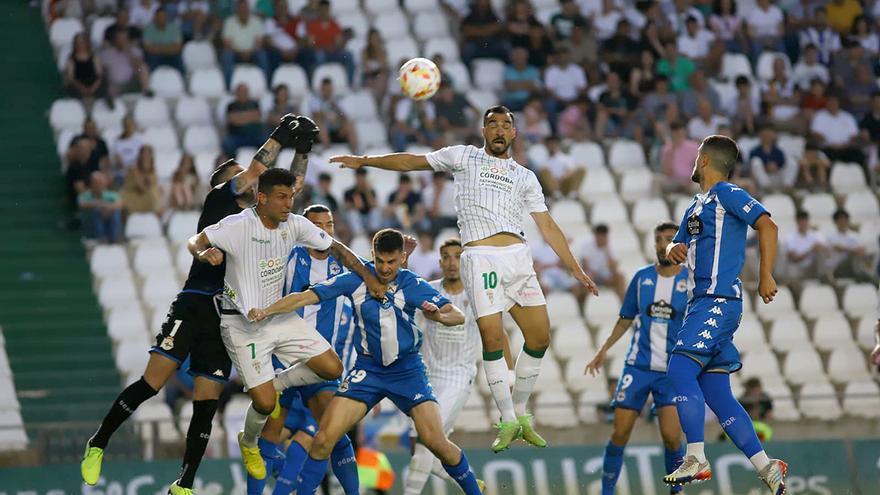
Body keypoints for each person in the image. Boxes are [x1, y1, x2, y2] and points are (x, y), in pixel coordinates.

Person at [328, 105, 598, 452]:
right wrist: (364, 160)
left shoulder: (525, 176)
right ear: (484, 131)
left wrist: (575, 268)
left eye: (506, 125)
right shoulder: (463, 157)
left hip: (518, 257)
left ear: (514, 133)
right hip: (481, 257)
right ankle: (506, 419)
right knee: (492, 338)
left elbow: (547, 225)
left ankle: (521, 413)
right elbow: (413, 161)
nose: (499, 130)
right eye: (493, 124)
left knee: (539, 337)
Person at [81, 115, 318, 494]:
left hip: (229, 316)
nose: (253, 179)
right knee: (152, 383)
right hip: (194, 302)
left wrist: (303, 148)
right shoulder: (220, 199)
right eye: (241, 174)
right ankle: (97, 444)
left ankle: (185, 484)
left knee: (206, 401)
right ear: (228, 181)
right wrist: (280, 136)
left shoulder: (261, 217)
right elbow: (260, 168)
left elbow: (291, 186)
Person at [247, 229, 484, 495]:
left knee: (434, 441)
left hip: (407, 371)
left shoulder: (411, 284)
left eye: (391, 262)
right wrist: (266, 311)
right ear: (373, 255)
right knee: (323, 440)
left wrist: (439, 316)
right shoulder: (355, 280)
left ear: (402, 257)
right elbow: (305, 297)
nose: (384, 268)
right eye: (380, 261)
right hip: (368, 371)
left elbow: (457, 314)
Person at [186, 166, 385, 482]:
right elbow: (196, 239)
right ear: (262, 198)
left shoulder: (294, 225)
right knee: (264, 404)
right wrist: (203, 252)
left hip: (279, 317)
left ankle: (275, 381)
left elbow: (335, 247)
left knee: (332, 369)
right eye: (281, 197)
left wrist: (369, 276)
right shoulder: (238, 225)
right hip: (242, 325)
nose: (288, 203)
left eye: (291, 196)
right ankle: (249, 442)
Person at [662, 134, 787, 492]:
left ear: (703, 160)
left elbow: (768, 224)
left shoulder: (728, 194)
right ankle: (768, 468)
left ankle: (696, 456)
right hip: (700, 305)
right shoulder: (697, 206)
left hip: (718, 300)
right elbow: (678, 239)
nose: (693, 161)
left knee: (680, 368)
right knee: (716, 393)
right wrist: (674, 246)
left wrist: (765, 275)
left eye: (695, 155)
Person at [246, 204, 360, 495]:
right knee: (267, 442)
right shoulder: (287, 258)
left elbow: (375, 277)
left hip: (321, 364)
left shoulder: (344, 264)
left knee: (333, 433)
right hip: (281, 360)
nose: (323, 230)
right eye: (316, 225)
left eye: (329, 224)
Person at [585, 221, 688, 495]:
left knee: (671, 436)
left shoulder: (690, 283)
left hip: (671, 371)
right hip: (638, 367)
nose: (664, 244)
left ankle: (676, 491)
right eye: (659, 239)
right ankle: (607, 492)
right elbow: (625, 318)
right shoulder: (642, 279)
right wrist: (604, 348)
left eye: (670, 239)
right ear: (654, 244)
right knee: (619, 433)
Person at [404, 238, 485, 494]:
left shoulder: (477, 293)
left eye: (458, 256)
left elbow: (498, 334)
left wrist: (506, 372)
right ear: (440, 262)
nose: (452, 263)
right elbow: (409, 321)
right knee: (430, 444)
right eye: (447, 257)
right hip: (426, 376)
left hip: (458, 377)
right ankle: (473, 484)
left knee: (425, 445)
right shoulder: (428, 290)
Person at [221, 0, 270, 85]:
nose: (243, 10)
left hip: (252, 52)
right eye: (241, 8)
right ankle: (227, 86)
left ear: (249, 9)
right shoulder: (229, 22)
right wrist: (240, 52)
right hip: (235, 53)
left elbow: (259, 43)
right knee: (227, 56)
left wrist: (249, 52)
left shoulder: (256, 21)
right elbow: (227, 43)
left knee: (262, 55)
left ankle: (265, 84)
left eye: (245, 8)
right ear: (237, 10)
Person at [581, 224, 627, 299]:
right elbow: (585, 264)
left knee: (620, 277)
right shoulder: (586, 245)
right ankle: (587, 304)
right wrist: (593, 273)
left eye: (603, 236)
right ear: (596, 235)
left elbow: (614, 267)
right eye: (599, 236)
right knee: (587, 278)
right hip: (591, 275)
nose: (601, 238)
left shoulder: (610, 245)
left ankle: (625, 305)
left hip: (605, 275)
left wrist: (607, 251)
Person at [78, 171, 123, 243]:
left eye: (101, 182)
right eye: (96, 182)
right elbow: (82, 205)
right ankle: (102, 238)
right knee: (96, 211)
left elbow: (119, 204)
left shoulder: (112, 194)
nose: (99, 185)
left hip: (109, 220)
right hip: (91, 227)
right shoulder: (84, 196)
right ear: (91, 184)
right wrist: (100, 205)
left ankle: (114, 239)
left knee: (115, 212)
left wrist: (107, 208)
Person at [223, 83, 266, 156]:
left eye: (245, 91)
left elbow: (257, 116)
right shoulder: (231, 106)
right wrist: (249, 116)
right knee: (227, 143)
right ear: (236, 93)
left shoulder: (255, 103)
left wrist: (240, 117)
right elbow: (233, 120)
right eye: (241, 91)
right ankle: (233, 164)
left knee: (266, 141)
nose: (243, 94)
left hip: (254, 136)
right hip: (237, 136)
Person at [783, 210, 827, 282]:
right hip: (797, 268)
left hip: (812, 268)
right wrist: (811, 250)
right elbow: (794, 259)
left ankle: (824, 278)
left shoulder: (815, 235)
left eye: (804, 220)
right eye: (801, 221)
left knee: (820, 253)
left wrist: (821, 248)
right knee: (793, 271)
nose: (803, 223)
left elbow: (827, 253)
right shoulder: (790, 237)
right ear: (797, 222)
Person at [120, 145, 163, 214]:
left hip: (145, 195)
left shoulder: (153, 170)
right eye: (144, 154)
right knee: (152, 193)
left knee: (157, 190)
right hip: (133, 195)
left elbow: (153, 182)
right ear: (140, 155)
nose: (146, 157)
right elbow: (141, 187)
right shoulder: (134, 169)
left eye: (148, 154)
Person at [142, 7, 184, 73]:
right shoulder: (148, 29)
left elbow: (177, 47)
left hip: (171, 55)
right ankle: (152, 82)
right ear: (155, 18)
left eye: (163, 16)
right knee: (151, 59)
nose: (161, 19)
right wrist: (168, 48)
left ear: (167, 17)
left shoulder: (174, 28)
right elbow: (147, 48)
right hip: (155, 56)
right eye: (159, 17)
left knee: (178, 60)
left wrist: (158, 48)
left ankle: (182, 81)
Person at [64, 33, 104, 101]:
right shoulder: (71, 59)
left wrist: (94, 87)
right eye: (78, 43)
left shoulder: (94, 57)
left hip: (94, 83)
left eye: (82, 42)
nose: (80, 45)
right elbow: (71, 77)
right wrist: (81, 88)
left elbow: (99, 74)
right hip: (78, 84)